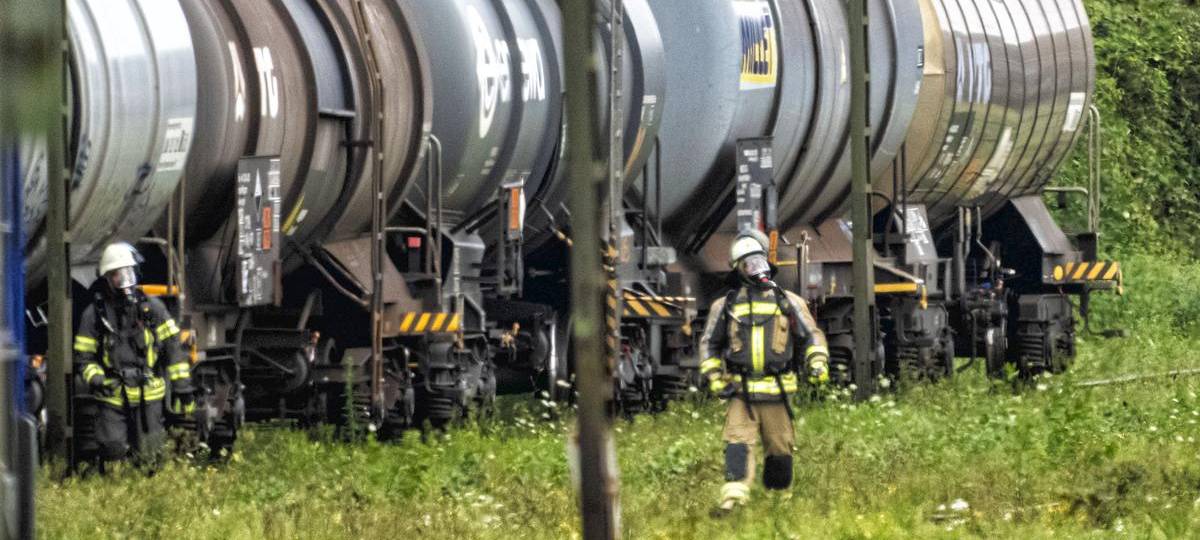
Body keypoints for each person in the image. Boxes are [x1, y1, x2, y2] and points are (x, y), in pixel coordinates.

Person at [699, 230, 830, 512]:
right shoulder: (726, 306)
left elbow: (812, 336)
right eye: (748, 265)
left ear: (768, 263)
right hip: (741, 393)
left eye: (758, 262)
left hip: (777, 392)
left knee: (780, 450)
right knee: (737, 444)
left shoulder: (788, 302)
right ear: (739, 270)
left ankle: (777, 502)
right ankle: (732, 501)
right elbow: (709, 344)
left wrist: (817, 361)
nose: (756, 269)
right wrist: (715, 378)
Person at [72, 242, 193, 466]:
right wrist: (97, 379)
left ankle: (148, 483)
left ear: (136, 273)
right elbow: (83, 357)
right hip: (112, 395)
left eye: (128, 273)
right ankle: (116, 485)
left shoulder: (153, 309)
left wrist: (182, 387)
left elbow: (174, 350)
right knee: (112, 450)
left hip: (148, 395)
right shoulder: (95, 315)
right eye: (117, 276)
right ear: (107, 279)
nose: (124, 281)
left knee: (150, 455)